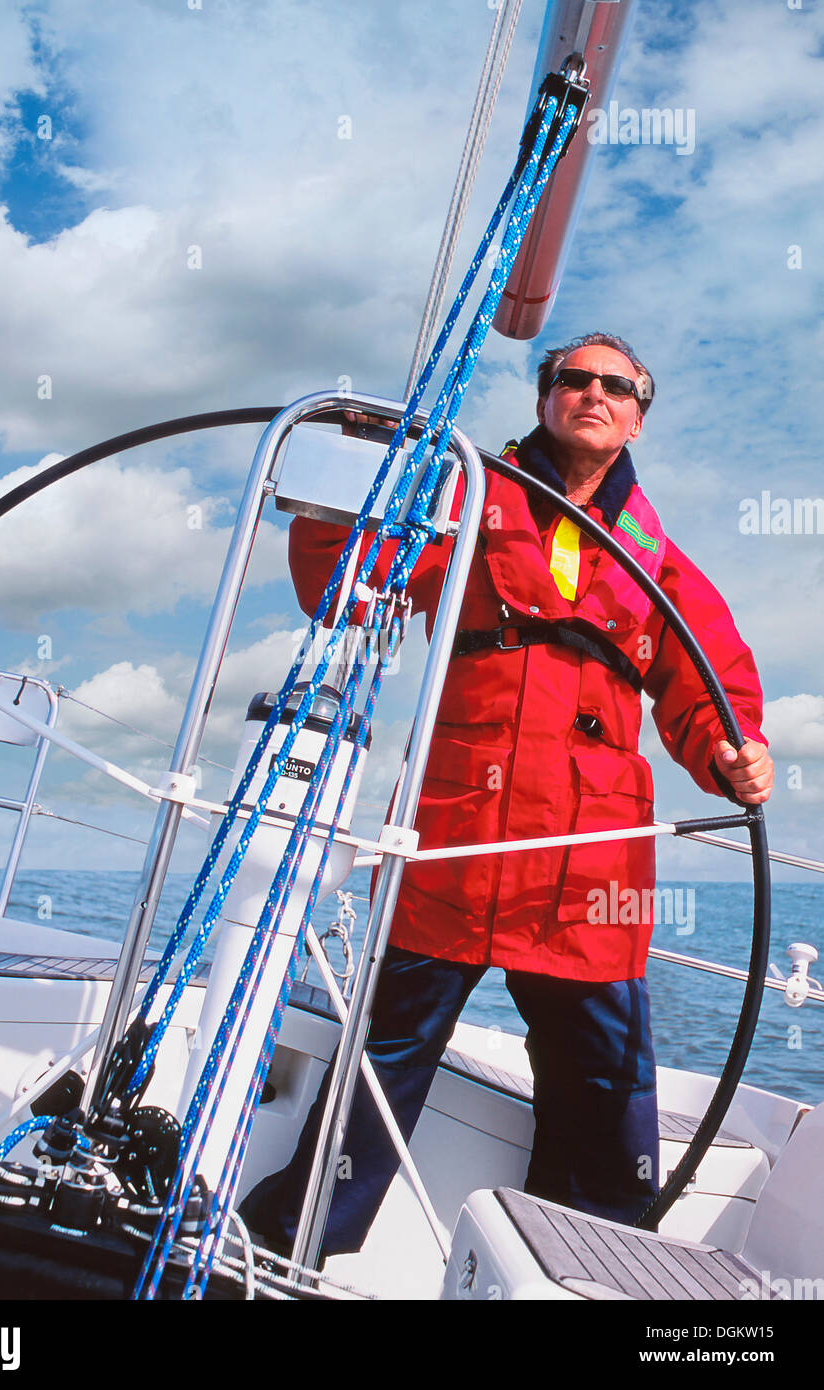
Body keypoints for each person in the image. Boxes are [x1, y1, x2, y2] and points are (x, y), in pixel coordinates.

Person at [239, 332, 773, 1258]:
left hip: (590, 858)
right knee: (385, 1053)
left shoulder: (661, 564)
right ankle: (293, 1246)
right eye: (573, 378)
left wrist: (736, 752)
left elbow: (708, 686)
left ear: (638, 412)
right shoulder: (454, 499)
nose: (592, 393)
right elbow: (342, 585)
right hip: (455, 834)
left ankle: (585, 1263)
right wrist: (347, 485)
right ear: (543, 397)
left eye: (616, 385)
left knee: (605, 1077)